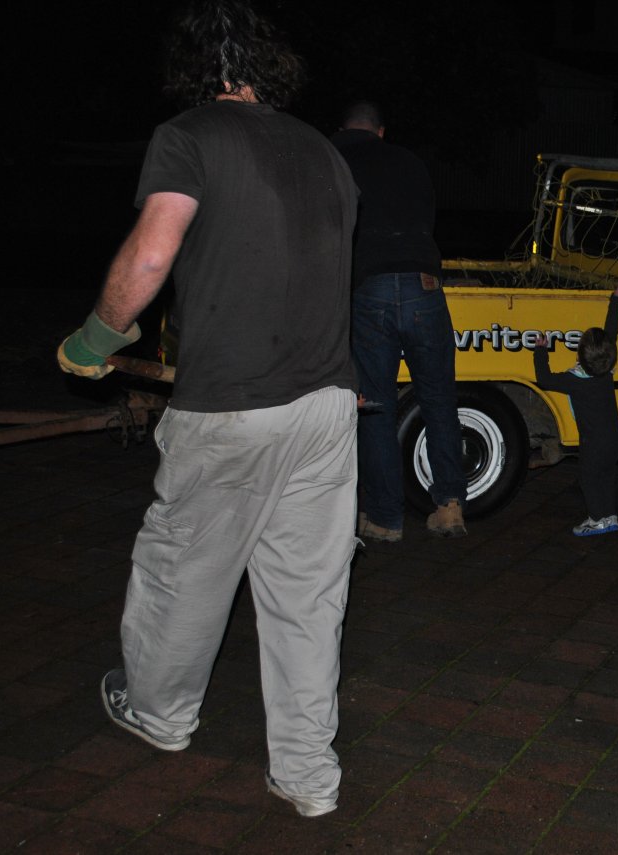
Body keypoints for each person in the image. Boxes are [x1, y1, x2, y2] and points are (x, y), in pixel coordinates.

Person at [56, 0, 359, 819]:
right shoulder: (326, 152)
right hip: (328, 404)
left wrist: (95, 337)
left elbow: (154, 251)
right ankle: (308, 773)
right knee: (308, 598)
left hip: (233, 404)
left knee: (183, 569)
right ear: (272, 66)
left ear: (192, 67)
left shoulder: (189, 135)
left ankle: (159, 712)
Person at [331, 101, 467, 542]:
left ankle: (385, 518)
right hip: (423, 284)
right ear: (381, 132)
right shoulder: (409, 161)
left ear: (343, 128)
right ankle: (449, 506)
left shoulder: (333, 157)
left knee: (376, 406)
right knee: (439, 399)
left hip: (370, 287)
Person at [532, 283, 618, 536]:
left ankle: (597, 519)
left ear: (579, 355)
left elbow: (544, 379)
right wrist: (616, 300)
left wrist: (540, 350)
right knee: (606, 476)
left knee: (589, 479)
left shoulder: (574, 380)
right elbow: (611, 334)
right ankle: (609, 516)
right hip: (615, 440)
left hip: (594, 444)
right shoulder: (607, 372)